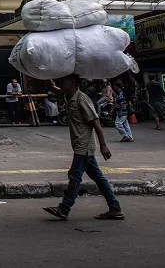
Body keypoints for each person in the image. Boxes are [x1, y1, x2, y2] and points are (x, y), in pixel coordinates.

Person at [43, 74, 124, 221]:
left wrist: (103, 145)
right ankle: (115, 208)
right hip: (80, 146)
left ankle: (64, 208)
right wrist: (46, 71)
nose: (61, 84)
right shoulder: (68, 96)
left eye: (64, 81)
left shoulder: (82, 99)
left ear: (73, 82)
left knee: (75, 176)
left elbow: (96, 124)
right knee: (98, 178)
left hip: (84, 146)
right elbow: (52, 87)